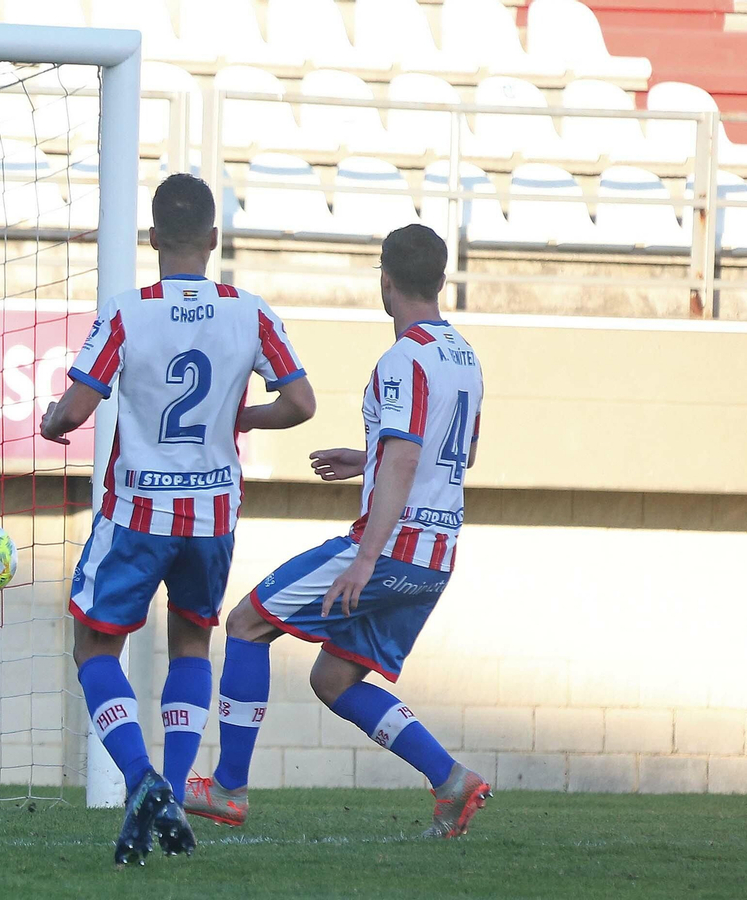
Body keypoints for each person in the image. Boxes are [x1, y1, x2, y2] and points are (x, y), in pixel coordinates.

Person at [40, 173, 317, 864]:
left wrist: (53, 422)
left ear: (154, 239)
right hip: (213, 515)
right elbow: (302, 404)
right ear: (215, 239)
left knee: (93, 647)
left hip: (138, 510)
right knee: (192, 643)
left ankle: (142, 781)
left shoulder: (128, 312)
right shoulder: (250, 312)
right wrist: (240, 416)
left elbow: (75, 410)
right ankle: (179, 781)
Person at [186, 224, 490, 839]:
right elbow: (462, 453)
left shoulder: (402, 359)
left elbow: (408, 458)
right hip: (436, 557)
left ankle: (228, 789)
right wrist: (369, 456)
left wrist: (363, 559)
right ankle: (452, 781)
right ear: (439, 278)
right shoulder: (464, 355)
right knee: (333, 678)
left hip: (389, 549)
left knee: (246, 623)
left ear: (385, 279)